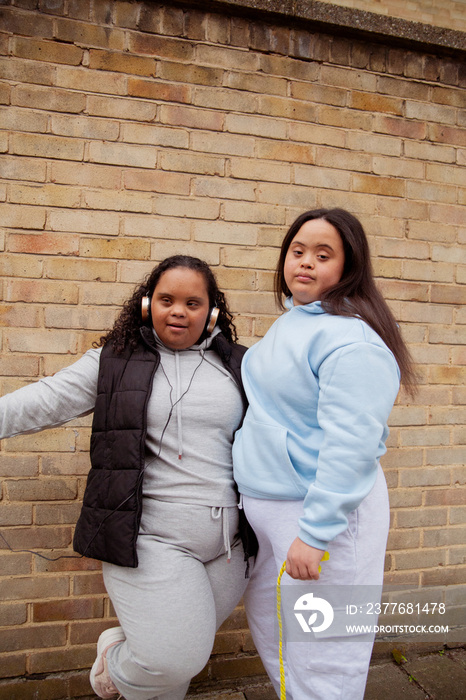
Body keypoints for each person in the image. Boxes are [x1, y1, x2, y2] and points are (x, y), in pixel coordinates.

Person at [0, 255, 257, 700]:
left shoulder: (242, 365)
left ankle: (132, 654)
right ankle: (114, 664)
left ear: (212, 311)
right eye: (167, 300)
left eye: (193, 302)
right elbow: (44, 400)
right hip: (150, 539)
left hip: (229, 545)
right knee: (173, 658)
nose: (179, 310)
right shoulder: (114, 361)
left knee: (175, 670)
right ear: (147, 305)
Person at [232, 208, 416, 700]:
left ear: (348, 267)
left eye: (323, 254)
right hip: (272, 515)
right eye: (297, 251)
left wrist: (315, 533)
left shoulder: (352, 341)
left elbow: (351, 446)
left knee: (326, 655)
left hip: (320, 520)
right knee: (280, 645)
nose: (306, 263)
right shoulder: (293, 324)